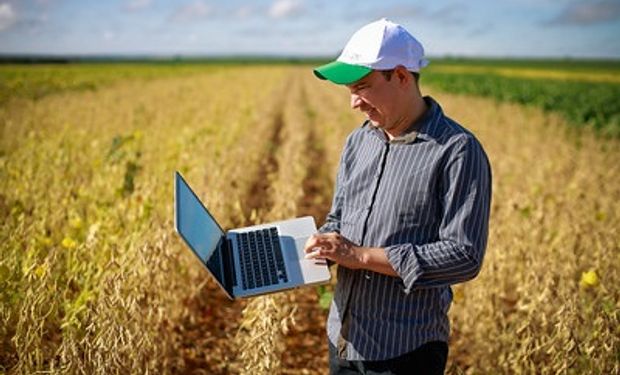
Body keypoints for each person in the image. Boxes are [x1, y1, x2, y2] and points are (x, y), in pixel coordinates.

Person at [304, 18, 492, 374]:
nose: (354, 103)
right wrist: (318, 250)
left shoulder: (457, 150)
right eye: (349, 91)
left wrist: (360, 255)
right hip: (343, 339)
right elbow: (339, 217)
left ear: (402, 77)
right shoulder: (359, 141)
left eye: (362, 87)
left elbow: (464, 256)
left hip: (404, 353)